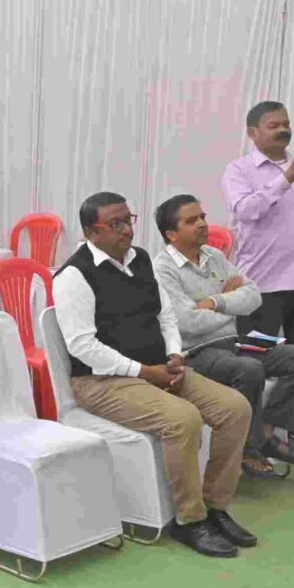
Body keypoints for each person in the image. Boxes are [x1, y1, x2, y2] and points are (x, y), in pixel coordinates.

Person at [55, 191, 253, 557]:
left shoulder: (141, 259)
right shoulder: (73, 276)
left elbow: (165, 316)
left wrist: (175, 354)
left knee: (235, 408)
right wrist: (145, 371)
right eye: (115, 224)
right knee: (183, 418)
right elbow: (83, 346)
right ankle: (189, 520)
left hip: (161, 369)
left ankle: (215, 507)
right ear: (90, 231)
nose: (126, 230)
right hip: (102, 382)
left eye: (128, 220)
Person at [153, 194, 294, 477]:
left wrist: (215, 302)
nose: (202, 224)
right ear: (171, 234)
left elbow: (254, 297)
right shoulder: (162, 269)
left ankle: (265, 433)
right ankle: (247, 449)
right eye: (191, 221)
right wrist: (230, 303)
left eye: (202, 217)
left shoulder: (214, 256)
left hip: (234, 342)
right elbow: (187, 323)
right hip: (196, 351)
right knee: (248, 369)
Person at [221, 101, 294, 344]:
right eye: (273, 125)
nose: (283, 130)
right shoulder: (238, 170)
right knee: (257, 355)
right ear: (252, 132)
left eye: (286, 124)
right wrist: (287, 178)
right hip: (261, 283)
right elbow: (246, 211)